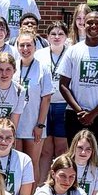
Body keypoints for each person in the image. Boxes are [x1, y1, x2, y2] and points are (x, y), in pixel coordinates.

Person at [59, 11, 98, 146]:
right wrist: (80, 111)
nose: (93, 26)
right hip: (75, 114)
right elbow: (63, 85)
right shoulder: (73, 51)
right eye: (90, 22)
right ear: (83, 25)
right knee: (75, 157)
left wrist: (93, 114)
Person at [35, 21, 70, 184]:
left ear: (66, 36)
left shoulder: (71, 54)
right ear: (47, 37)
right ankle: (42, 186)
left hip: (63, 105)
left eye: (60, 34)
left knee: (62, 149)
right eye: (53, 34)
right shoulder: (39, 54)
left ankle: (60, 183)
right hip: (45, 105)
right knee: (46, 150)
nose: (56, 37)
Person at [14, 31, 52, 179]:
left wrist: (40, 125)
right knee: (17, 165)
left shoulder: (42, 68)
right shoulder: (13, 67)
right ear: (17, 47)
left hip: (34, 125)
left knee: (31, 163)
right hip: (16, 125)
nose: (25, 48)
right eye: (21, 45)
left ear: (35, 47)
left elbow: (46, 98)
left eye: (28, 45)